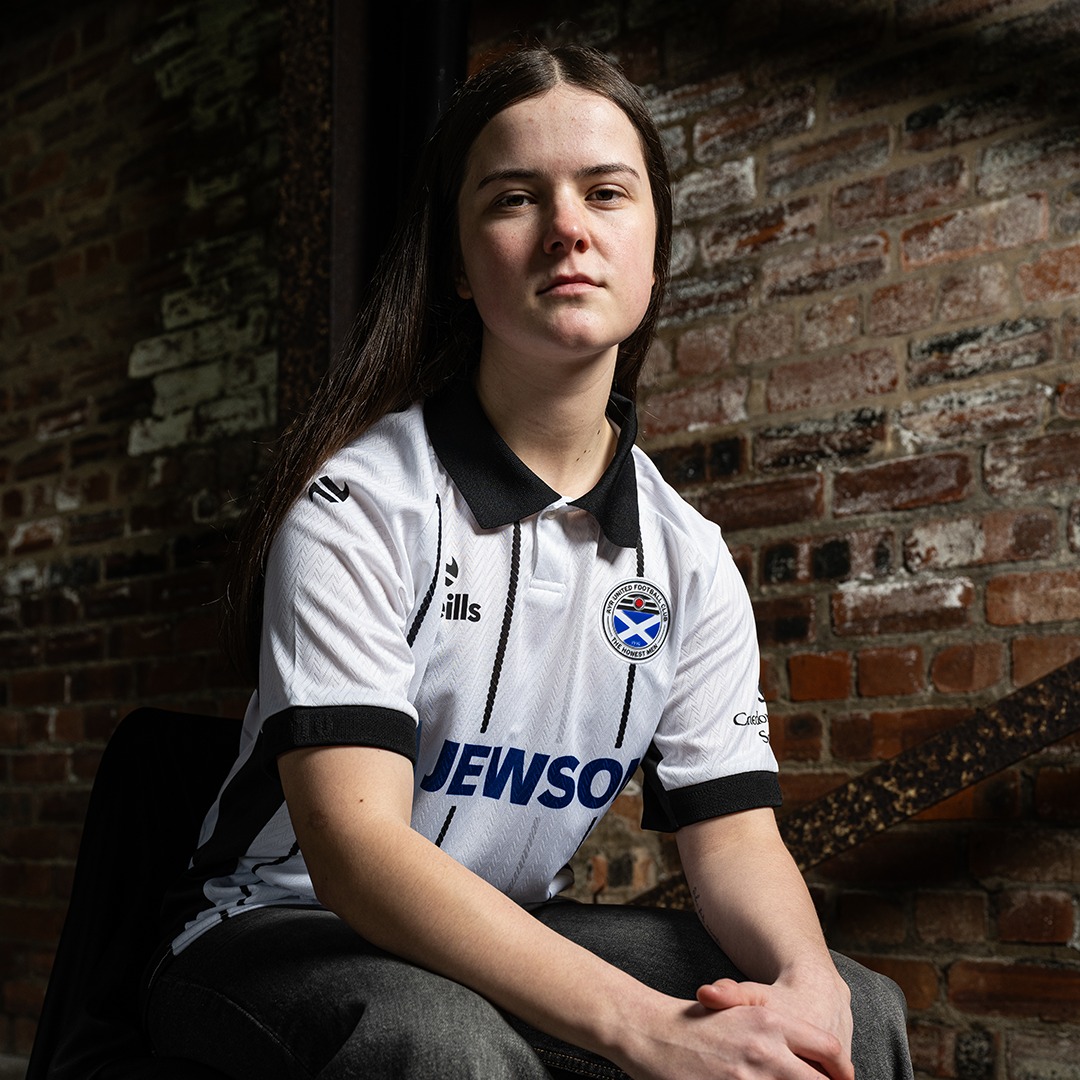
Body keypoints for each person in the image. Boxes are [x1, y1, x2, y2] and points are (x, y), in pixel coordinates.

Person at [144, 43, 914, 1080]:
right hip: (274, 934)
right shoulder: (358, 507)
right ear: (460, 267)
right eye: (515, 198)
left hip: (503, 928)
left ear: (655, 250)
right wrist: (644, 1027)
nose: (567, 229)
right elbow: (358, 856)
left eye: (607, 192)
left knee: (855, 1013)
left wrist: (807, 980)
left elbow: (733, 841)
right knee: (443, 1043)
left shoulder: (687, 557)